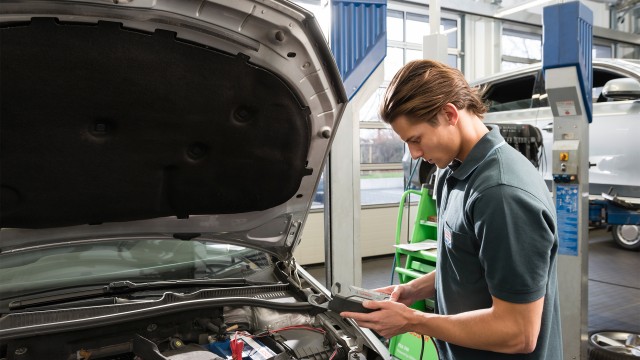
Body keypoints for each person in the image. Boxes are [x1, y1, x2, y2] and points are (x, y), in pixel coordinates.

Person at [340, 60, 562, 359]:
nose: (415, 154)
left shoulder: (501, 195)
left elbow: (518, 333)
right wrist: (412, 291)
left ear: (449, 114)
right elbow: (468, 263)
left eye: (416, 140)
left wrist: (413, 321)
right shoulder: (452, 173)